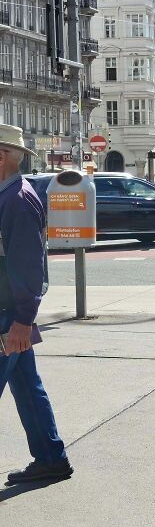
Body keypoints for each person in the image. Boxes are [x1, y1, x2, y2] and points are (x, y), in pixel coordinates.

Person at [0, 125, 72, 486]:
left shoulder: (16, 200)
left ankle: (50, 458)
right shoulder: (10, 195)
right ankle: (50, 458)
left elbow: (29, 266)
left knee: (27, 385)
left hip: (8, 316)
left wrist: (23, 321)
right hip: (10, 315)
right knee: (27, 386)